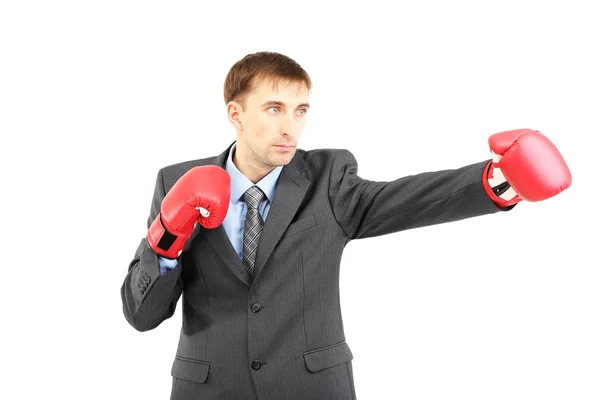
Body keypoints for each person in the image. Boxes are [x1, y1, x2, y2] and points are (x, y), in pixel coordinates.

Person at [120, 51, 572, 400]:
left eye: (301, 110)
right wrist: (165, 237)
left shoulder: (328, 178)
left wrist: (496, 180)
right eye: (275, 108)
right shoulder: (175, 180)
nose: (291, 128)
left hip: (311, 387)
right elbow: (142, 315)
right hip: (208, 390)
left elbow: (405, 200)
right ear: (235, 113)